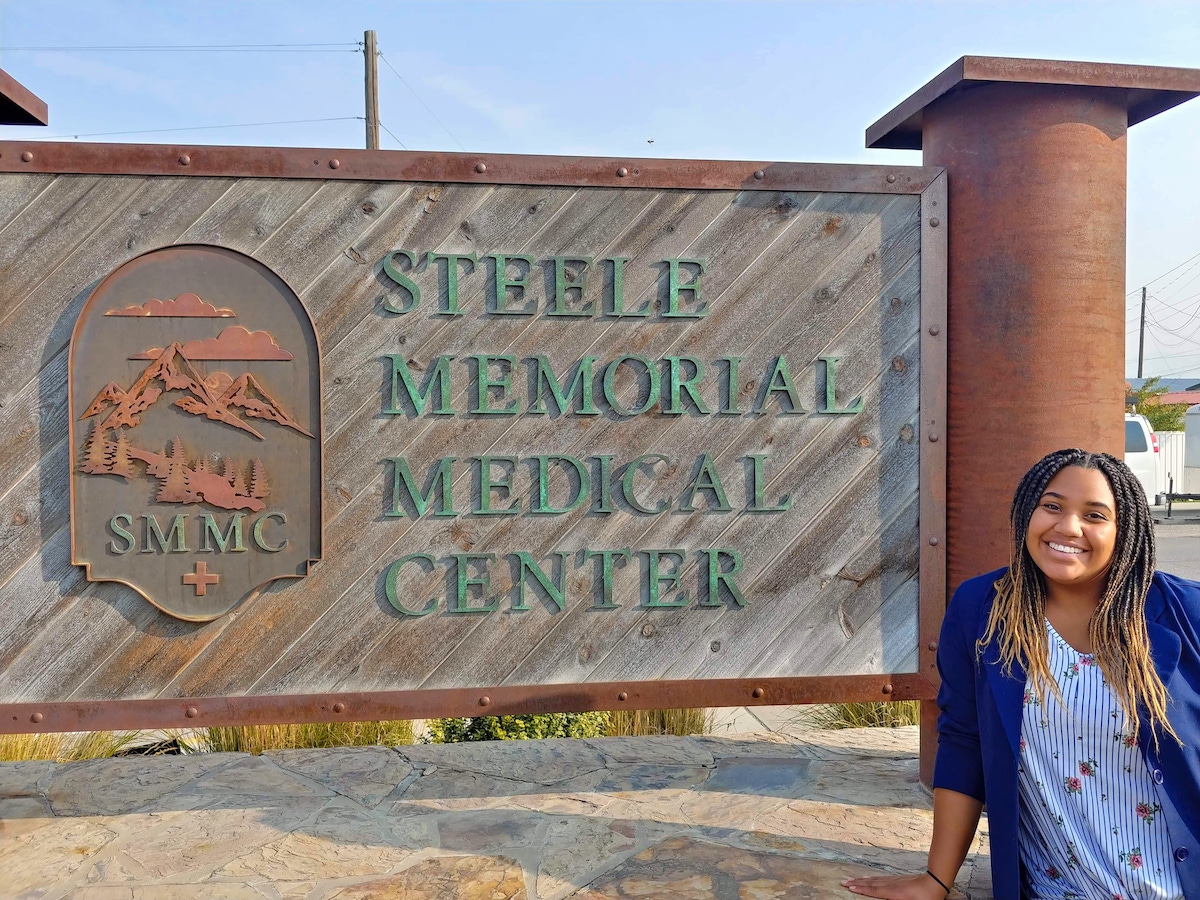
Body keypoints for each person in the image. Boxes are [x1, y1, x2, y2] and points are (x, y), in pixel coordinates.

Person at [842, 448, 1200, 900]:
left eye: (1094, 515)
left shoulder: (1185, 613)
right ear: (1025, 513)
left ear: (1124, 530)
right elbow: (963, 740)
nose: (1067, 527)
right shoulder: (983, 609)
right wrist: (936, 878)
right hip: (1057, 889)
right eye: (1051, 506)